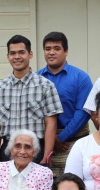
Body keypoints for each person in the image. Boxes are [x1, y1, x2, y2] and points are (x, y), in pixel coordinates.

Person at [0, 34, 63, 164]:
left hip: (36, 150)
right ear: (8, 56)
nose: (17, 57)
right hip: (8, 150)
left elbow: (51, 124)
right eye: (12, 53)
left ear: (30, 54)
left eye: (21, 52)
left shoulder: (46, 86)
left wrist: (46, 157)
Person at [37, 31, 93, 176]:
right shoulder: (36, 79)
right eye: (47, 49)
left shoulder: (81, 78)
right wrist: (50, 137)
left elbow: (83, 112)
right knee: (45, 188)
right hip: (42, 142)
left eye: (57, 48)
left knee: (74, 183)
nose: (51, 53)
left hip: (73, 140)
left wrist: (60, 138)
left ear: (66, 51)